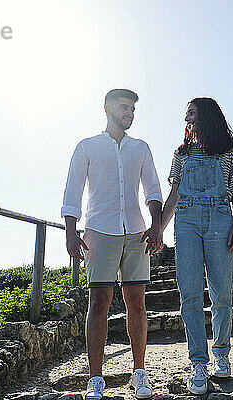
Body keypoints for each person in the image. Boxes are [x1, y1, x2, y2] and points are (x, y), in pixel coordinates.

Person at [62, 89, 163, 400]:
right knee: (99, 303)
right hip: (99, 230)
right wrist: (70, 231)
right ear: (107, 109)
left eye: (132, 108)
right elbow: (73, 190)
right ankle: (95, 379)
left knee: (136, 301)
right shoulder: (87, 147)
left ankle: (139, 373)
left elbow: (154, 189)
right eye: (123, 107)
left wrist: (157, 226)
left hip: (135, 232)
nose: (129, 113)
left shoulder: (141, 148)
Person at [161, 97, 233, 395]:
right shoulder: (182, 153)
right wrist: (158, 230)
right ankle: (198, 363)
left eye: (192, 112)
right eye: (186, 113)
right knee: (189, 294)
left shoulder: (231, 151)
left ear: (207, 116)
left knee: (222, 293)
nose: (187, 118)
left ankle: (222, 355)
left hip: (220, 219)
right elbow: (173, 194)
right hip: (185, 220)